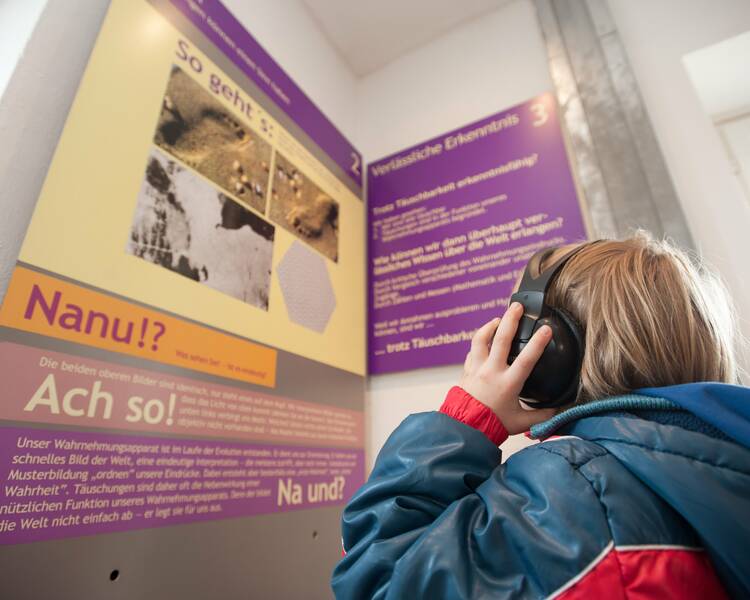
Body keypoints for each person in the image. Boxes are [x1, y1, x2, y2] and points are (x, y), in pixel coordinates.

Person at [332, 234, 750, 599]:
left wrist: (467, 418)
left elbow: (378, 579)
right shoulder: (719, 463)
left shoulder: (577, 491)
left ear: (545, 355)